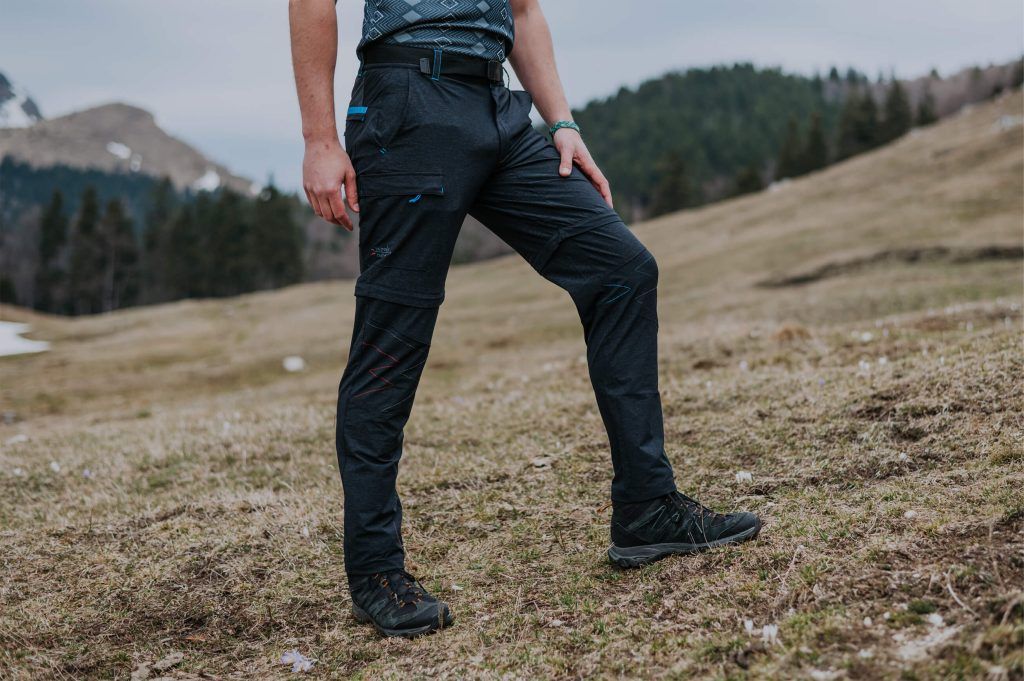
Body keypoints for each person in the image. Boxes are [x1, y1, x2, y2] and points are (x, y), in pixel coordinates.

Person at [289, 0, 761, 638]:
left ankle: (647, 507)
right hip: (407, 103)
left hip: (499, 111)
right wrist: (320, 138)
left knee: (621, 268)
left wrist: (560, 120)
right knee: (393, 340)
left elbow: (524, 11)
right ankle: (375, 569)